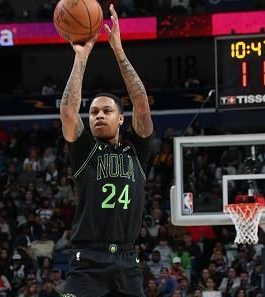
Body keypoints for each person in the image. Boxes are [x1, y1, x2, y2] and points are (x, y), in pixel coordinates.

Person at [59, 4, 153, 297]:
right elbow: (68, 112)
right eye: (94, 112)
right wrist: (81, 57)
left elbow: (141, 104)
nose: (98, 115)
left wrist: (118, 51)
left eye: (106, 111)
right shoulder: (86, 151)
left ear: (120, 119)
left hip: (127, 260)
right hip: (87, 260)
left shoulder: (136, 151)